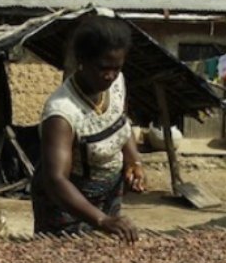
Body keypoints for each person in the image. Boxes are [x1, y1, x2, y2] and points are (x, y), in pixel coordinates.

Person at [31, 16, 145, 241]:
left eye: (117, 68)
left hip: (109, 193)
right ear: (82, 60)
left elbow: (121, 122)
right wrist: (101, 220)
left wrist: (134, 161)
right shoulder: (62, 113)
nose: (110, 76)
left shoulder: (117, 83)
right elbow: (55, 180)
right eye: (103, 68)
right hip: (67, 204)